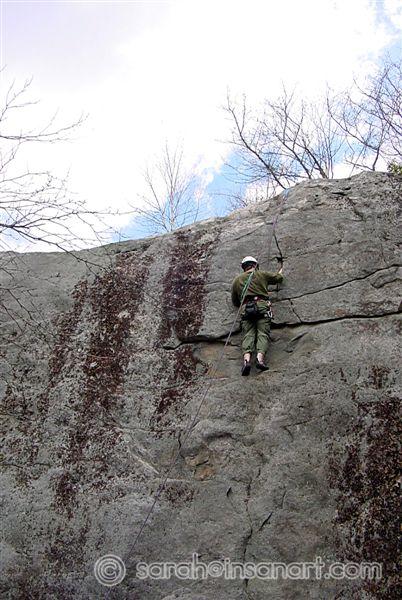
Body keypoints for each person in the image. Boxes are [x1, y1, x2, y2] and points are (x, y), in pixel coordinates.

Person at [231, 256, 283, 376]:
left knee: (248, 334)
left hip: (246, 309)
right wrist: (281, 269)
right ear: (255, 265)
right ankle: (260, 360)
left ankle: (246, 361)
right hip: (261, 306)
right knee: (262, 333)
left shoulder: (237, 280)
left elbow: (235, 301)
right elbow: (278, 278)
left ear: (244, 267)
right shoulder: (261, 274)